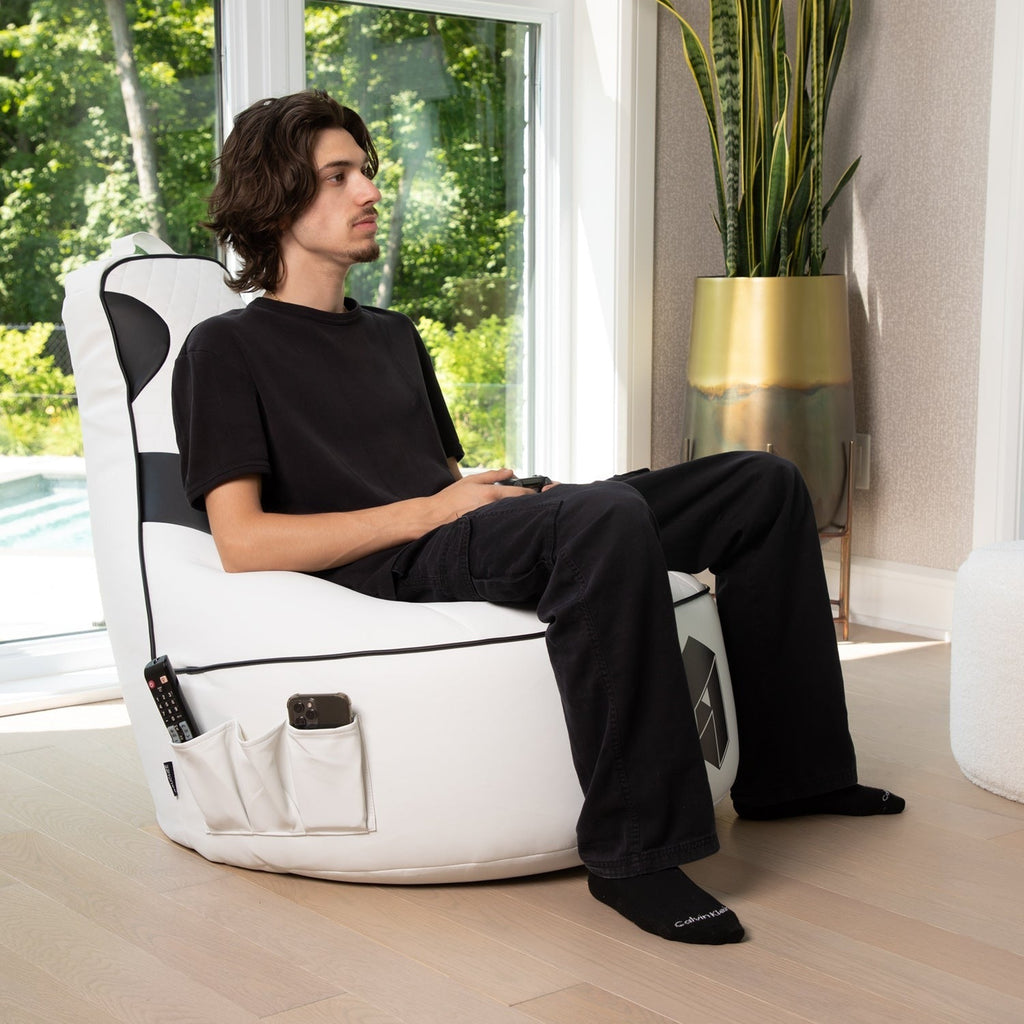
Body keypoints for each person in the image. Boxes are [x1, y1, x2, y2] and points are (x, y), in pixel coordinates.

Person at [171, 90, 904, 946]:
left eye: (366, 170)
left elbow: (441, 476)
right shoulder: (225, 349)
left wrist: (507, 497)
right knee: (599, 522)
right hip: (389, 561)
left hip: (453, 528)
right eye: (338, 176)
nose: (369, 190)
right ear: (276, 199)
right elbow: (242, 541)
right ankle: (636, 853)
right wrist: (427, 513)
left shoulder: (393, 335)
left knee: (762, 483)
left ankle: (797, 778)